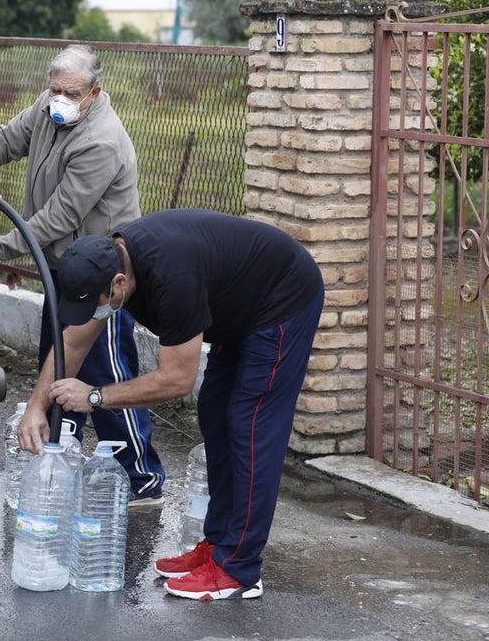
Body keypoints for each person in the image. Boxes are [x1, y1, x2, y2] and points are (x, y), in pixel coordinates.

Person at [18, 209, 325, 600]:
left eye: (95, 304)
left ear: (118, 283)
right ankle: (218, 545)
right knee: (216, 414)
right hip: (238, 308)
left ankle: (239, 569)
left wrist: (95, 397)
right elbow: (74, 342)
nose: (93, 314)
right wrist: (35, 407)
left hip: (282, 299)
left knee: (250, 427)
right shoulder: (110, 266)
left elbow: (177, 380)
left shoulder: (170, 277)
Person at [0, 44, 166, 509]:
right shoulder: (48, 106)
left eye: (69, 92)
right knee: (56, 364)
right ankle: (56, 455)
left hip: (103, 278)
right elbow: (5, 140)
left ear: (94, 92)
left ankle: (143, 478)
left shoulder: (101, 141)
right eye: (53, 89)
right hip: (64, 270)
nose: (58, 98)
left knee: (107, 372)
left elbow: (58, 217)